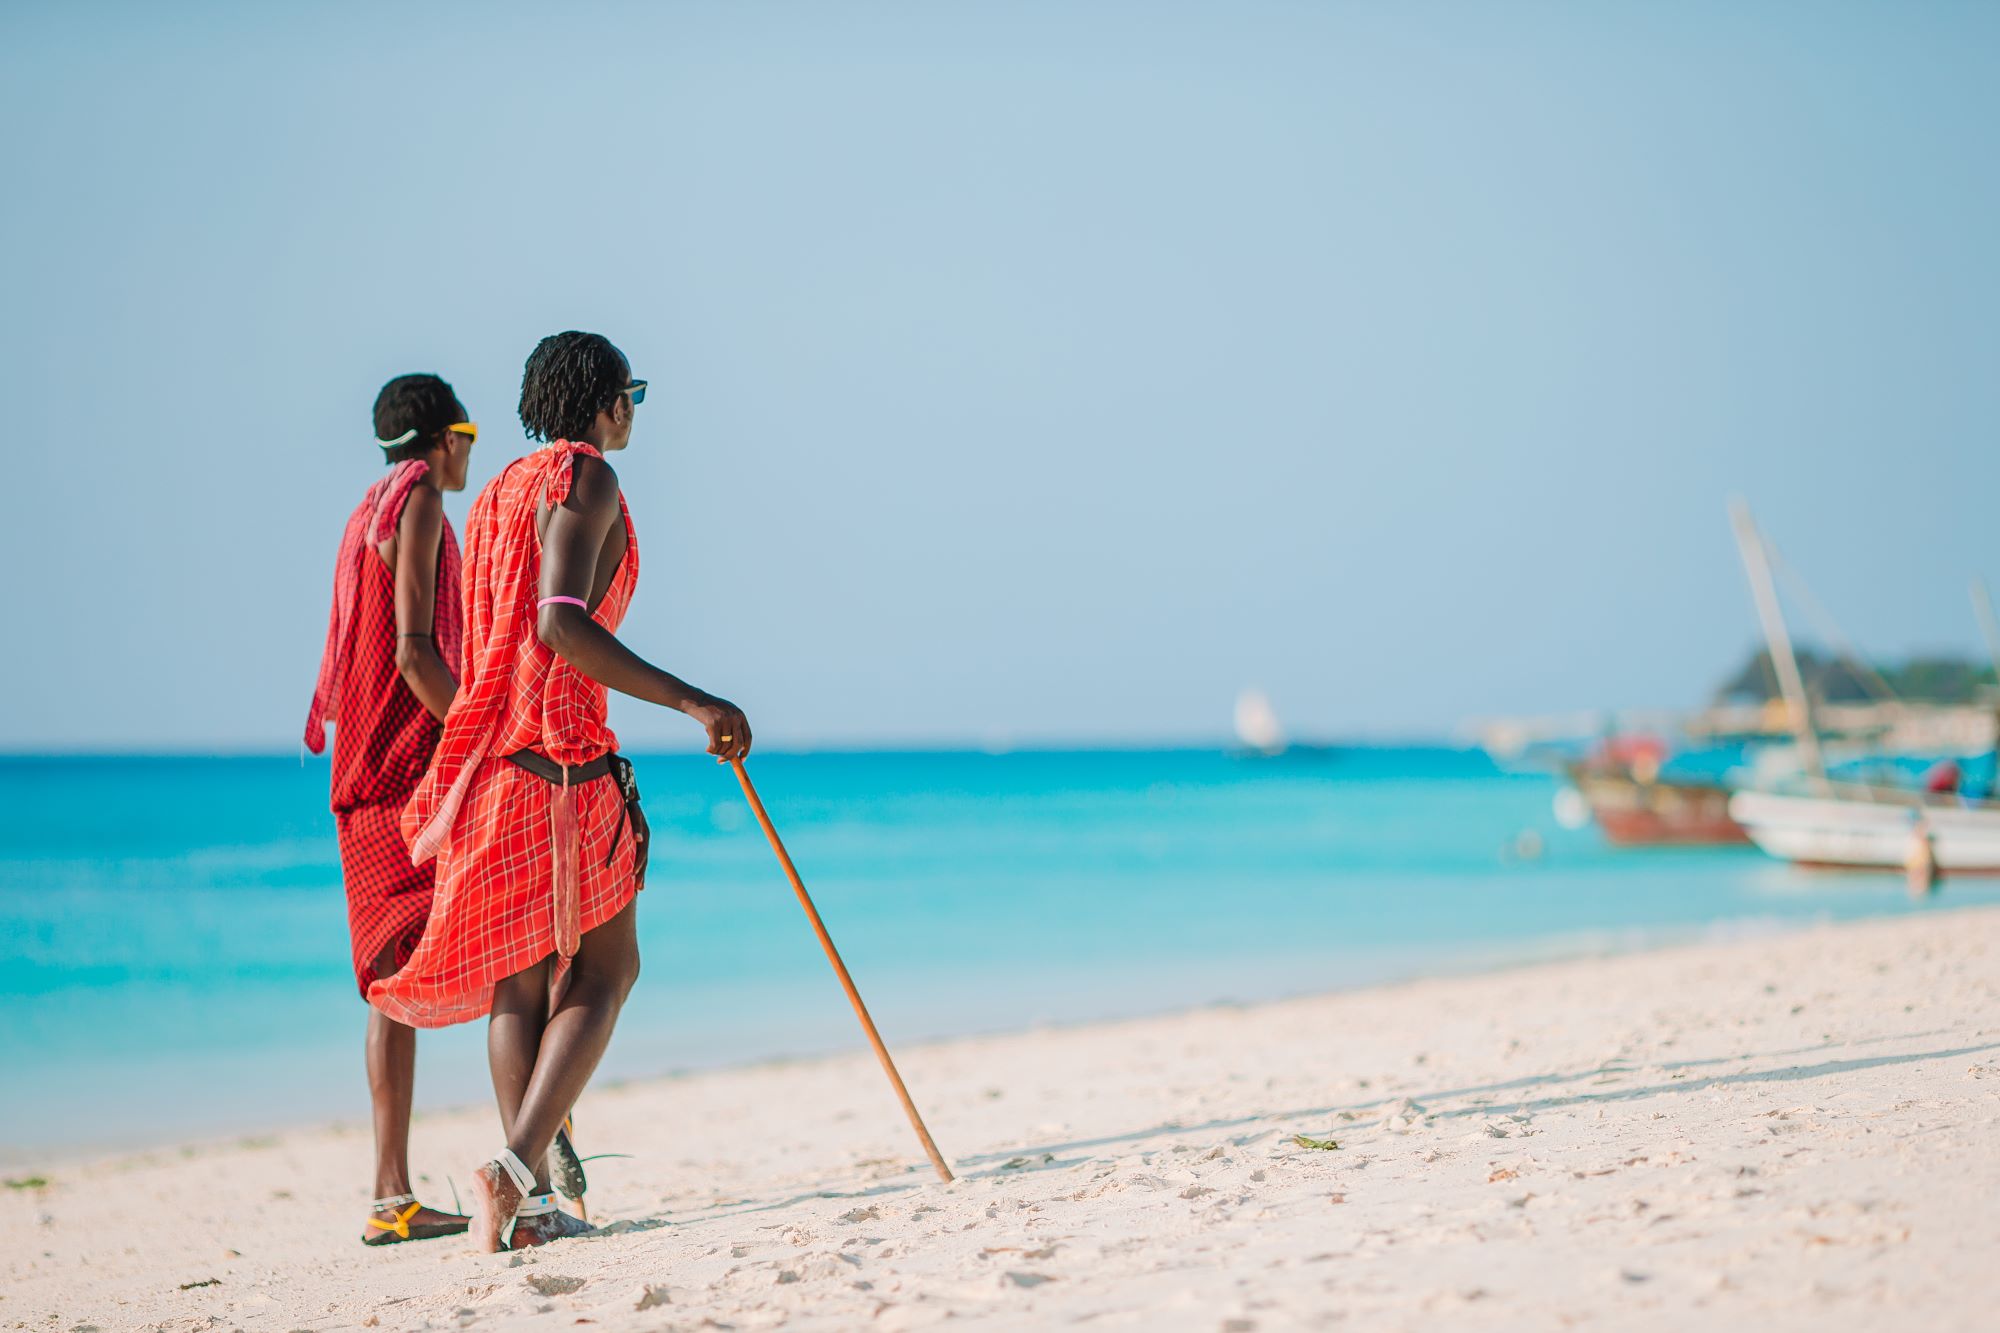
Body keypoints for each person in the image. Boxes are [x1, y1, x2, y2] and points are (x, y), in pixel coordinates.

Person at [374, 331, 752, 1251]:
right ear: (606, 401)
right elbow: (561, 625)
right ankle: (514, 1169)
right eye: (633, 394)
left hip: (492, 762)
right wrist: (695, 700)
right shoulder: (587, 479)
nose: (634, 412)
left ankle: (536, 1202)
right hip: (560, 760)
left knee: (519, 984)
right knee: (607, 968)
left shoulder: (500, 488)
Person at [304, 373, 476, 1246]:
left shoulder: (367, 504)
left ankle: (390, 1195)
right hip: (406, 771)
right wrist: (483, 727)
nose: (472, 455)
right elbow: (414, 653)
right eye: (468, 433)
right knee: (515, 935)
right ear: (442, 439)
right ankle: (539, 1155)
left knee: (388, 981)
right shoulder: (416, 508)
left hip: (363, 769)